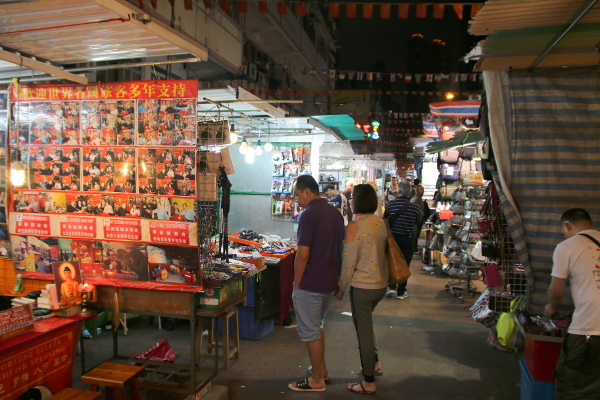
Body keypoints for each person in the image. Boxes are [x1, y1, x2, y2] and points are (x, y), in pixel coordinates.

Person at [288, 175, 344, 392]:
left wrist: (296, 284)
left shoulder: (308, 214)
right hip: (330, 281)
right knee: (317, 326)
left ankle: (317, 380)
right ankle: (322, 370)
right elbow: (341, 248)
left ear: (307, 192)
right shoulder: (335, 213)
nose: (296, 199)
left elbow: (302, 255)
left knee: (310, 332)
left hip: (311, 282)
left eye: (297, 194)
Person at [335, 184, 388, 395]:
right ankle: (374, 362)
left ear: (359, 201)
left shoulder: (354, 226)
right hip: (381, 285)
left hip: (363, 287)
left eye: (353, 199)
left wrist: (341, 287)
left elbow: (349, 261)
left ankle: (368, 381)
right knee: (366, 324)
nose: (351, 202)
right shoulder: (381, 223)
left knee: (363, 331)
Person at [544, 208, 600, 399]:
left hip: (590, 330)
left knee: (574, 388)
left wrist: (551, 308)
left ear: (566, 226)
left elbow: (556, 291)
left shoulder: (567, 246)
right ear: (591, 225)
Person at [383, 180, 422, 299]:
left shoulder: (390, 205)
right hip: (408, 239)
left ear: (398, 192)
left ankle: (391, 287)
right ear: (410, 193)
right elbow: (419, 222)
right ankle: (401, 290)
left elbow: (385, 220)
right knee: (405, 264)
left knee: (392, 261)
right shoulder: (415, 208)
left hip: (393, 240)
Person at [410, 185, 430, 255]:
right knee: (416, 233)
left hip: (418, 218)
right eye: (420, 189)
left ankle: (414, 248)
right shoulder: (416, 198)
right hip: (416, 219)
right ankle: (414, 249)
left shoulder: (419, 199)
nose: (421, 191)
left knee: (416, 234)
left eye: (422, 189)